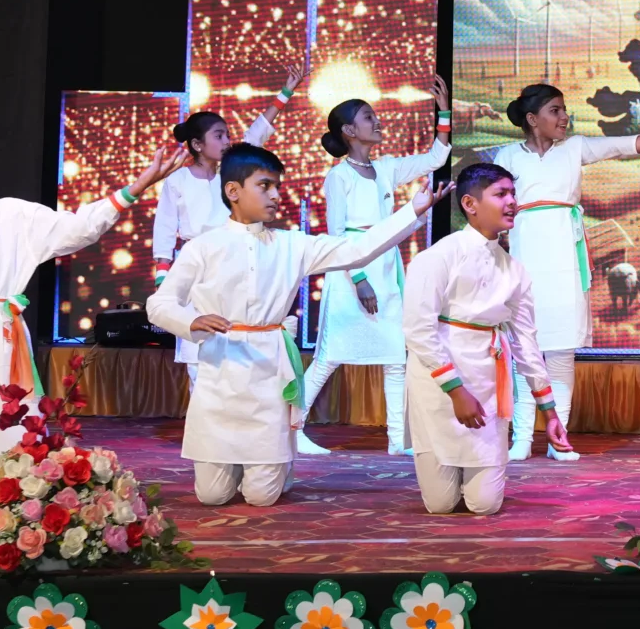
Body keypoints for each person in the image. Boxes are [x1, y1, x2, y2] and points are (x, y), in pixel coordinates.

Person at [0, 125, 186, 495]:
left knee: (13, 432)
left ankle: (15, 493)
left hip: (2, 336)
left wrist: (139, 186)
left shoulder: (14, 215)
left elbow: (81, 227)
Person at [144, 142, 436, 507]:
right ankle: (250, 464)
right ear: (233, 191)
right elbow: (158, 304)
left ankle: (277, 462)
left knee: (261, 496)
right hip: (220, 374)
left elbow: (355, 251)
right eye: (264, 186)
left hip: (269, 372)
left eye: (277, 186)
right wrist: (192, 320)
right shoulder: (202, 247)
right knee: (212, 496)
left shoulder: (290, 245)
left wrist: (412, 211)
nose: (276, 195)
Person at [491, 82, 640, 460]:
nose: (564, 117)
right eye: (555, 110)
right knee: (525, 352)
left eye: (564, 109)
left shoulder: (573, 148)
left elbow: (618, 145)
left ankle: (558, 440)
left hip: (564, 262)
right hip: (524, 260)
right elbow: (491, 199)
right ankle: (520, 439)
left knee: (560, 354)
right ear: (532, 119)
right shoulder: (507, 156)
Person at [293, 74, 452, 457]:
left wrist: (444, 112)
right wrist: (360, 278)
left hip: (386, 267)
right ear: (349, 131)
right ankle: (292, 428)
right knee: (329, 357)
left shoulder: (386, 169)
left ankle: (397, 440)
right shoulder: (339, 176)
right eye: (368, 117)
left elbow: (436, 158)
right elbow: (336, 235)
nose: (377, 121)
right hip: (350, 270)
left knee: (395, 356)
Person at [400, 162, 572, 515]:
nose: (512, 202)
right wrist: (455, 391)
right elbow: (418, 330)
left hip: (488, 379)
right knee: (440, 505)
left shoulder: (515, 270)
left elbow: (526, 342)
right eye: (501, 194)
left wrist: (549, 411)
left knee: (484, 505)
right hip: (436, 383)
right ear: (469, 203)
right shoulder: (439, 257)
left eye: (513, 193)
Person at [150, 79, 296, 372]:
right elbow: (164, 229)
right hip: (196, 264)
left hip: (234, 257)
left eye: (228, 135)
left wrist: (286, 92)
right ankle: (202, 395)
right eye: (219, 136)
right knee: (196, 346)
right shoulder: (178, 180)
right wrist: (163, 279)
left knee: (236, 333)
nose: (227, 140)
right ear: (197, 145)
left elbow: (256, 134)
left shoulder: (230, 174)